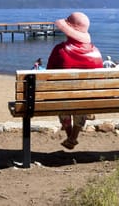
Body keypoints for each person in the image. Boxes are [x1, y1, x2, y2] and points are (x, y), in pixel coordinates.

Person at [47, 11, 103, 150]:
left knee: (63, 99)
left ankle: (70, 136)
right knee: (82, 99)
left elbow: (48, 75)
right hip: (88, 100)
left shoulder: (60, 50)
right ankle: (74, 137)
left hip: (64, 99)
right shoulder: (96, 52)